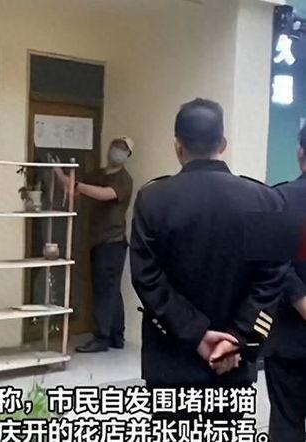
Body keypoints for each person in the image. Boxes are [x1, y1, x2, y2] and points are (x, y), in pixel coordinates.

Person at [129, 98, 290, 400]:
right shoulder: (265, 200)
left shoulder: (153, 200)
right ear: (223, 144)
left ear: (177, 146)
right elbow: (272, 278)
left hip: (170, 359)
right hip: (233, 361)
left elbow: (146, 278)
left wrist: (196, 334)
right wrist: (237, 336)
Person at [54, 136, 134, 353]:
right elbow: (75, 191)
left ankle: (102, 337)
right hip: (97, 240)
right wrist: (60, 174)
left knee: (105, 290)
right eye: (116, 146)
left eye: (123, 149)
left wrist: (76, 183)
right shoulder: (98, 175)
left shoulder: (124, 179)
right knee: (110, 289)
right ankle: (116, 336)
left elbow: (106, 194)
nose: (117, 151)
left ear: (128, 155)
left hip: (112, 242)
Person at [264, 126, 306, 442]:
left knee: (286, 423)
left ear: (300, 153)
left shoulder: (276, 198)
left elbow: (264, 260)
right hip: (288, 337)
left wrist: (300, 298)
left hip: (289, 336)